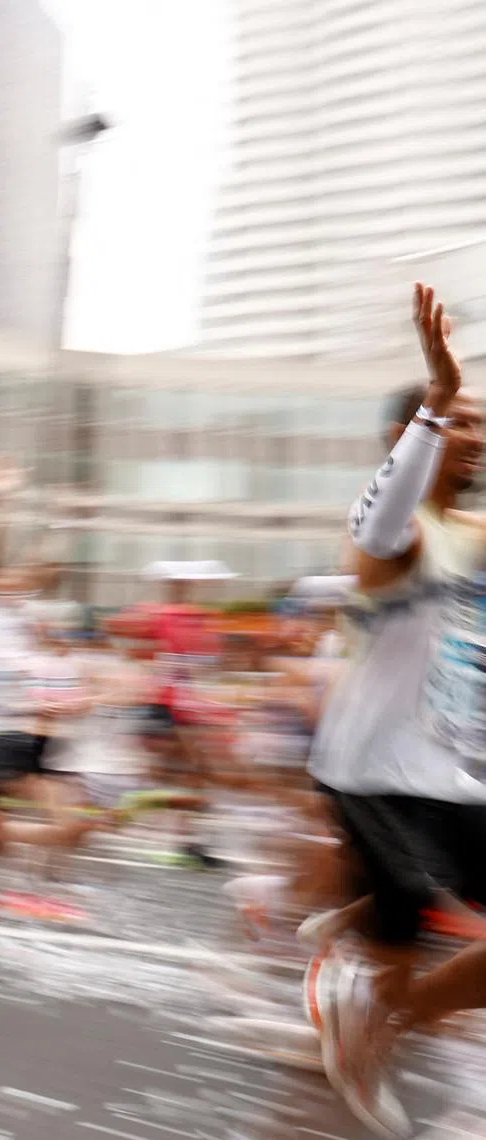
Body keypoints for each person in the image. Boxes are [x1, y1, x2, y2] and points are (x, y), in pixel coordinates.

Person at [309, 284, 486, 1138]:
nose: (478, 436)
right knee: (403, 943)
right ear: (407, 439)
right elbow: (379, 529)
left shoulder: (473, 536)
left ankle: (370, 1016)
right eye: (462, 422)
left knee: (398, 952)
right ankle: (371, 1014)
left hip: (442, 775)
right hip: (381, 771)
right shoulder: (399, 534)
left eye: (482, 421)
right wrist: (437, 398)